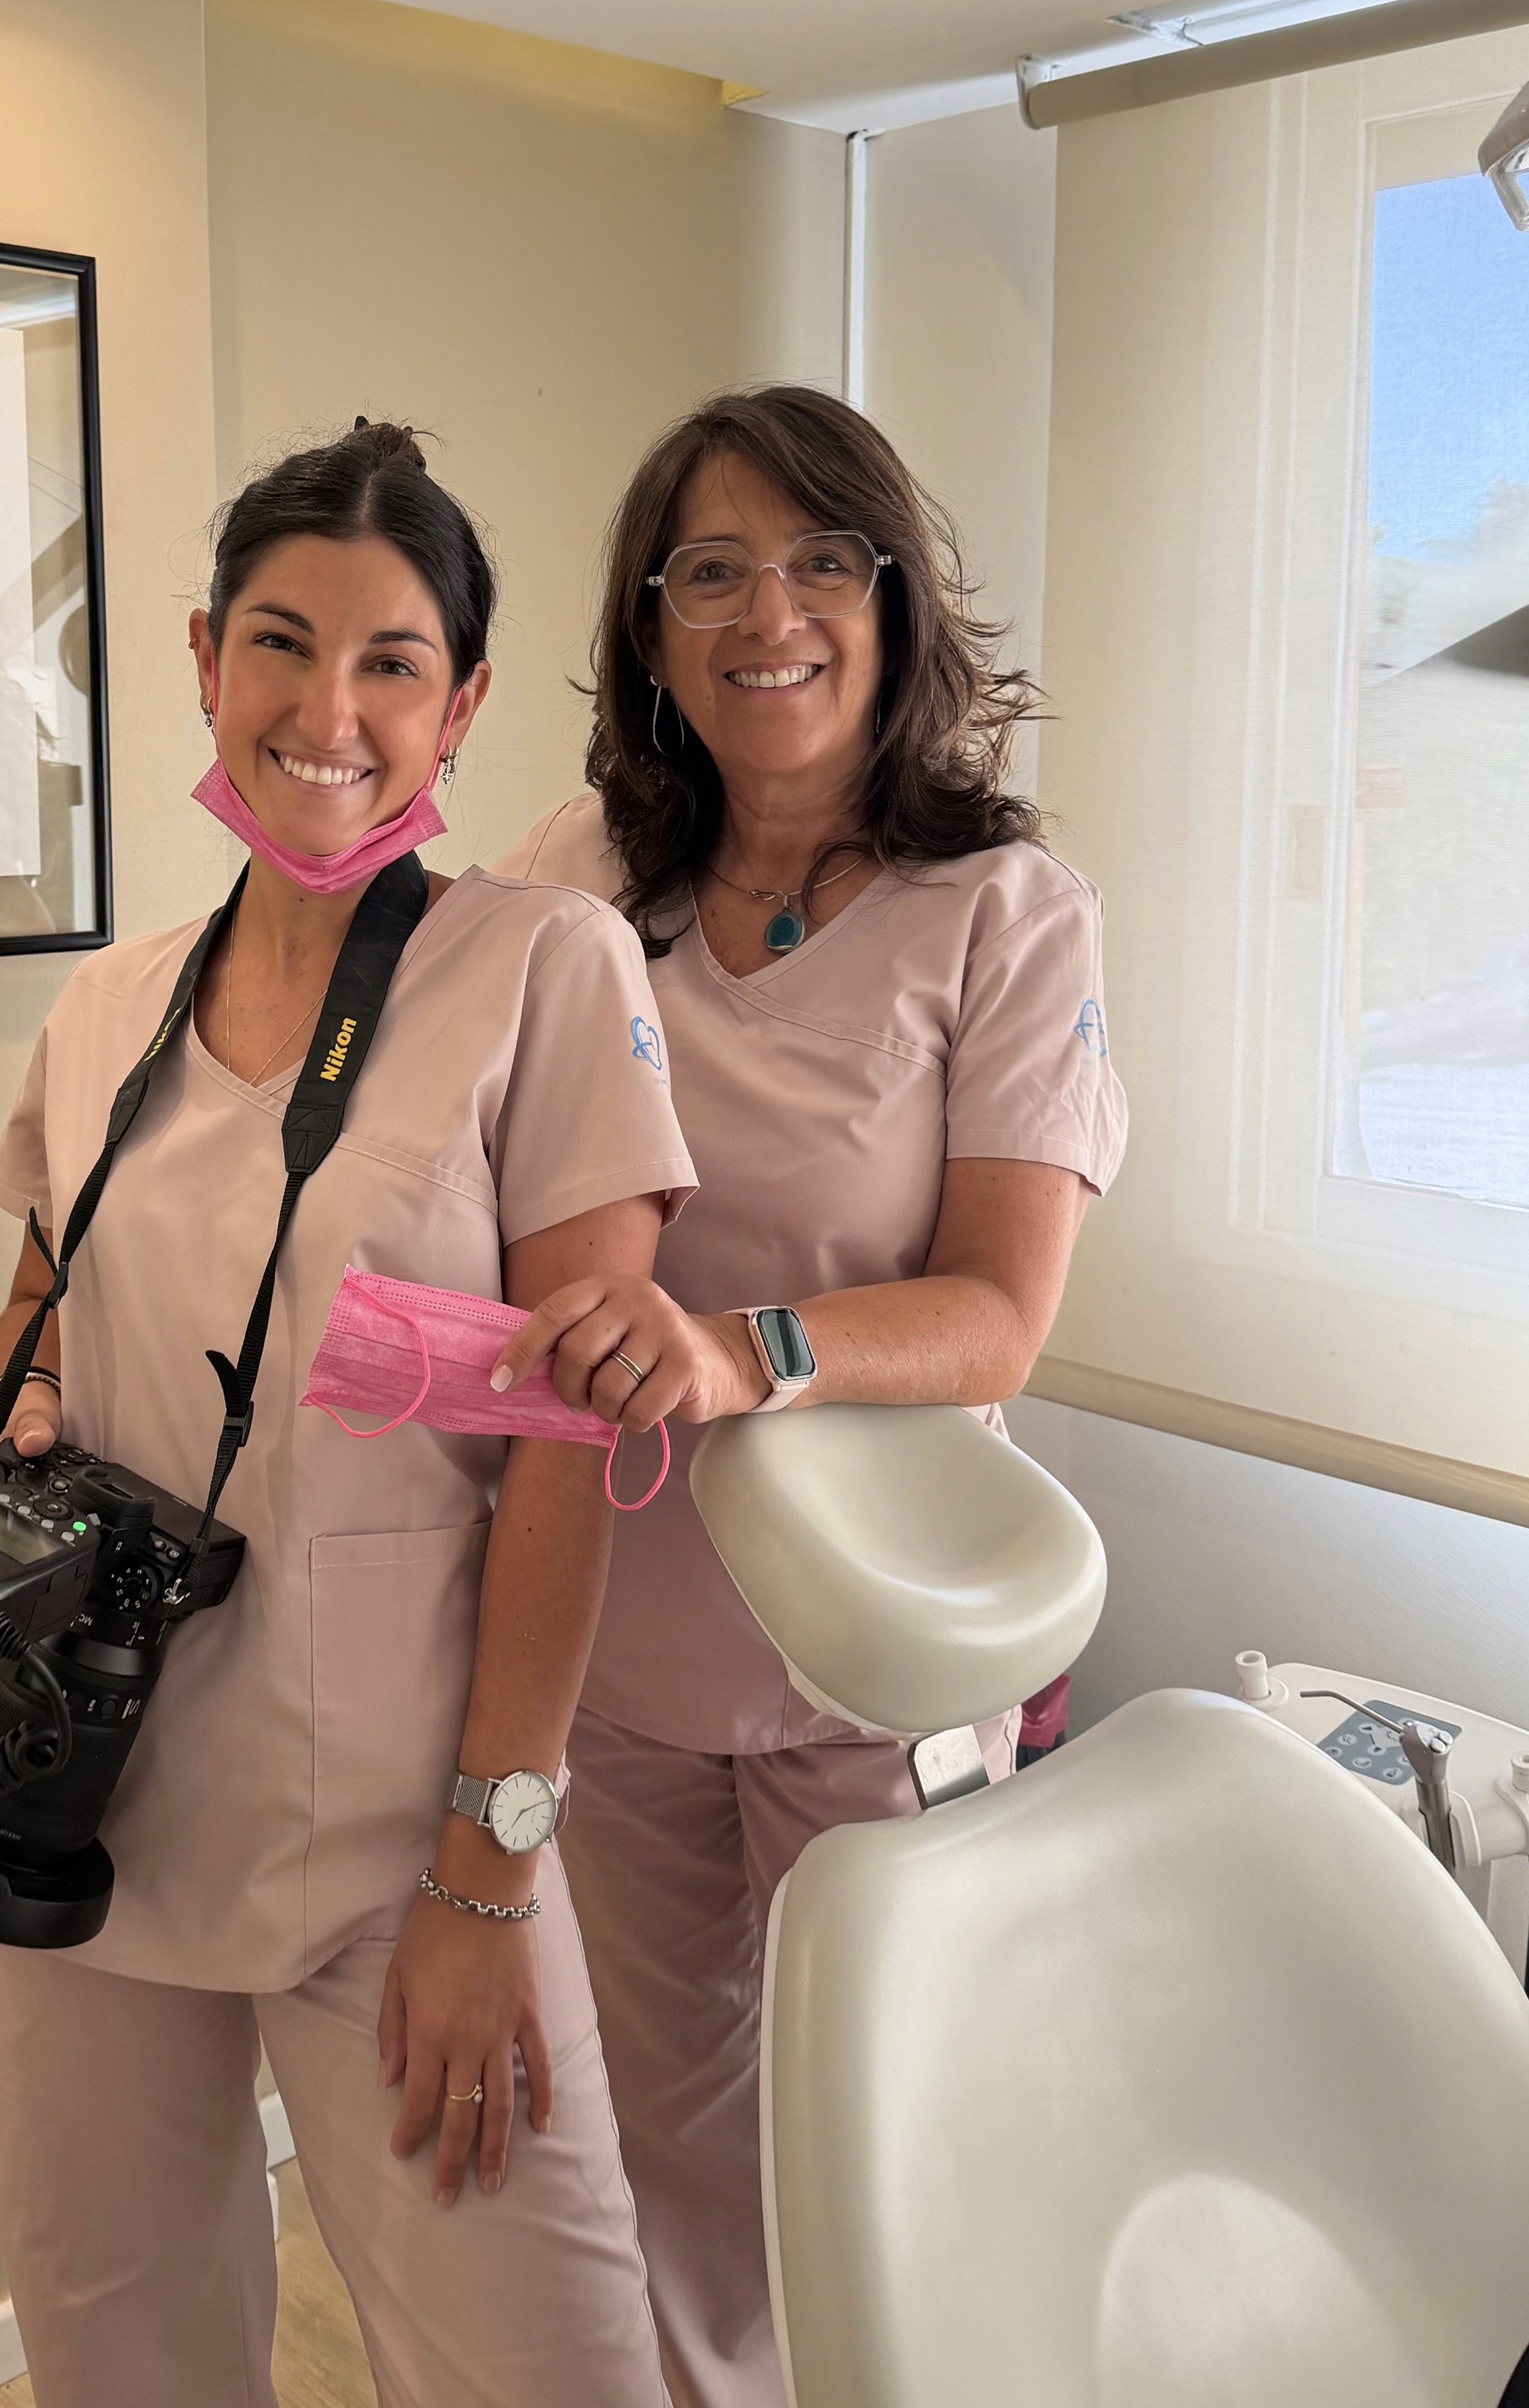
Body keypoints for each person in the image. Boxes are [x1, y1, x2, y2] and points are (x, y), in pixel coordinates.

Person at [0, 421, 694, 2408]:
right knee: (115, 2340)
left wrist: (487, 1867)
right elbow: (39, 1288)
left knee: (551, 2364)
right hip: (72, 1782)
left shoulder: (542, 968)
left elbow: (576, 1443)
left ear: (460, 704)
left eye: (388, 661)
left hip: (397, 1843)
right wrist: (10, 1433)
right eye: (279, 643)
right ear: (198, 661)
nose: (325, 710)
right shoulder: (108, 1001)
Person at [491, 386, 1128, 2408]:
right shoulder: (584, 876)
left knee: (907, 2149)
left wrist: (735, 1353)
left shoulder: (1002, 911)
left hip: (879, 1654)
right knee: (672, 2153)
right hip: (617, 1644)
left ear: (888, 595)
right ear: (653, 631)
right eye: (707, 571)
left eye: (815, 558)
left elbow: (995, 1317)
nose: (767, 610)